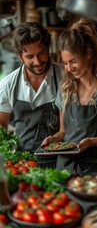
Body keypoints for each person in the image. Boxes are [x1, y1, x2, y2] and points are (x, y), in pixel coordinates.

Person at [42, 18, 97, 174]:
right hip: (66, 168)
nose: (69, 68)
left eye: (73, 61)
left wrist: (92, 142)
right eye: (65, 63)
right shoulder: (65, 89)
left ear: (89, 54)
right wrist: (54, 139)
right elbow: (63, 132)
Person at [0, 22, 64, 167]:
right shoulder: (8, 84)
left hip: (61, 160)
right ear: (20, 56)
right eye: (30, 56)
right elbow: (1, 124)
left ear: (48, 48)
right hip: (23, 163)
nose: (38, 61)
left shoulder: (65, 77)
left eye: (42, 53)